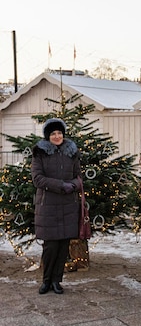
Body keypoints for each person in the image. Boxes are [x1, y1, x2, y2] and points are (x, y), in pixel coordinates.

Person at [32, 118, 81, 294]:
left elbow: (78, 176)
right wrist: (61, 185)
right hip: (48, 206)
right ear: (48, 136)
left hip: (68, 205)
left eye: (59, 133)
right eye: (53, 133)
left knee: (63, 246)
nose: (57, 136)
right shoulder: (40, 153)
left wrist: (74, 185)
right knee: (50, 246)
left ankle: (56, 281)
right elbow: (37, 179)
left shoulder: (72, 152)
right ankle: (46, 280)